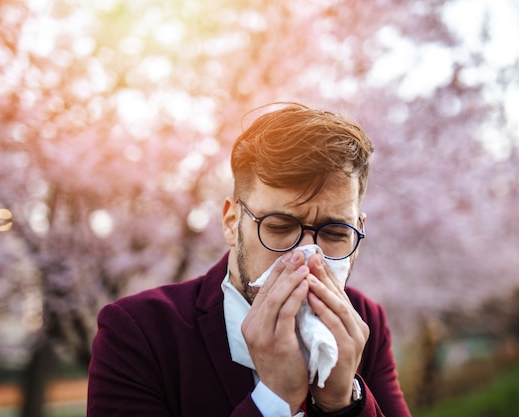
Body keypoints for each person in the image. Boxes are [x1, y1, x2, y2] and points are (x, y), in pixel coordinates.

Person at [87, 103, 412, 417]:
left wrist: (344, 403)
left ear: (358, 230)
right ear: (231, 222)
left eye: (336, 233)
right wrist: (274, 400)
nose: (309, 258)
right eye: (280, 227)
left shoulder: (364, 322)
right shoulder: (139, 332)